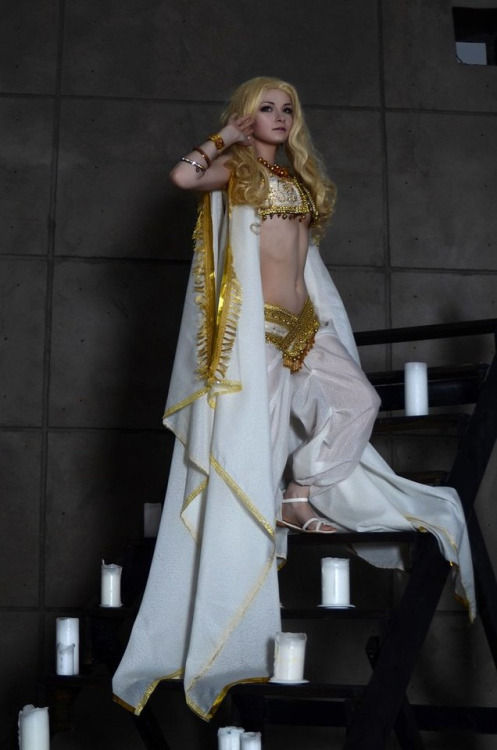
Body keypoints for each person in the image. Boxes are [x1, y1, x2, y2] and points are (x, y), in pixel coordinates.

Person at [112, 77, 475, 722]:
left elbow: (304, 258)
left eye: (286, 109)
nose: (279, 117)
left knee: (358, 401)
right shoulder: (237, 170)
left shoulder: (298, 180)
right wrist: (224, 137)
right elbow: (182, 177)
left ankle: (301, 488)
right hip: (257, 330)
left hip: (303, 326)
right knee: (258, 438)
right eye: (266, 108)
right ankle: (272, 531)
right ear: (246, 116)